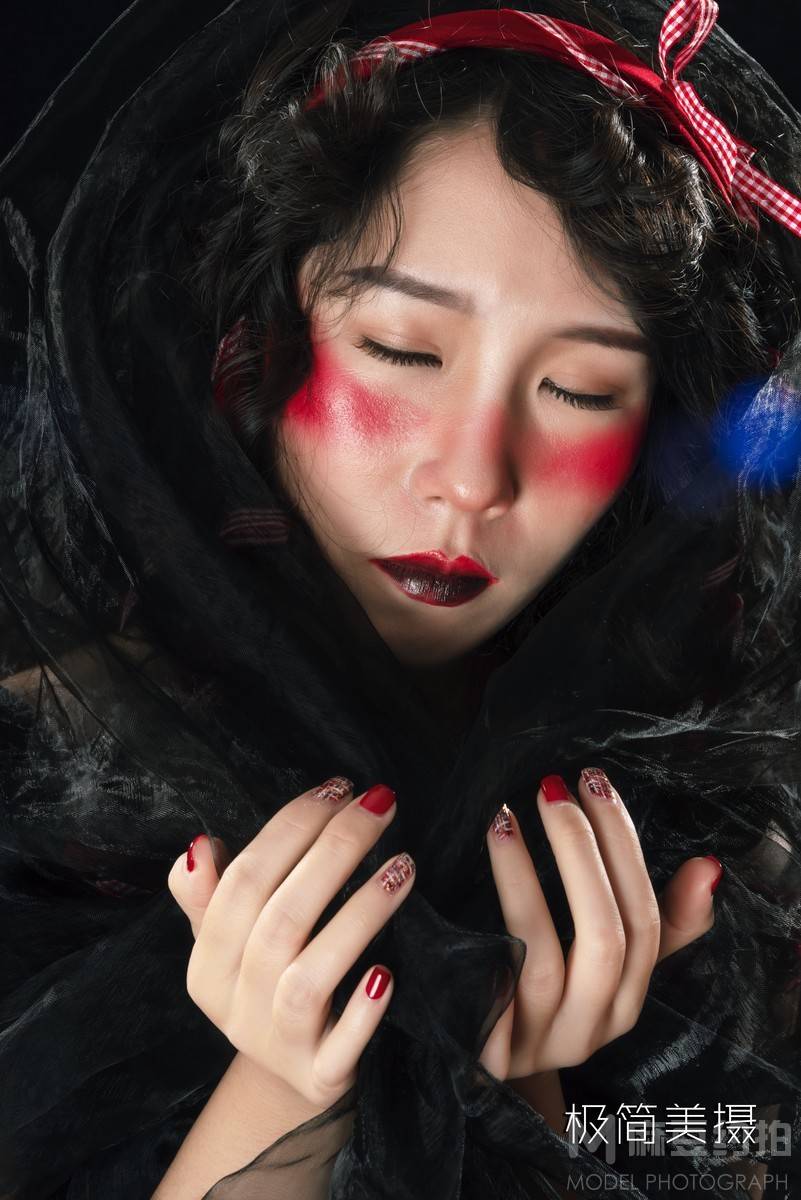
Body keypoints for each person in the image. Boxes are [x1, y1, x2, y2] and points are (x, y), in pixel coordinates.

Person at [0, 1, 799, 1198]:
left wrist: (523, 1096)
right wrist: (285, 1086)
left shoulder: (725, 852)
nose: (473, 479)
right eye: (402, 353)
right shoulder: (35, 785)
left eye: (582, 390)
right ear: (257, 344)